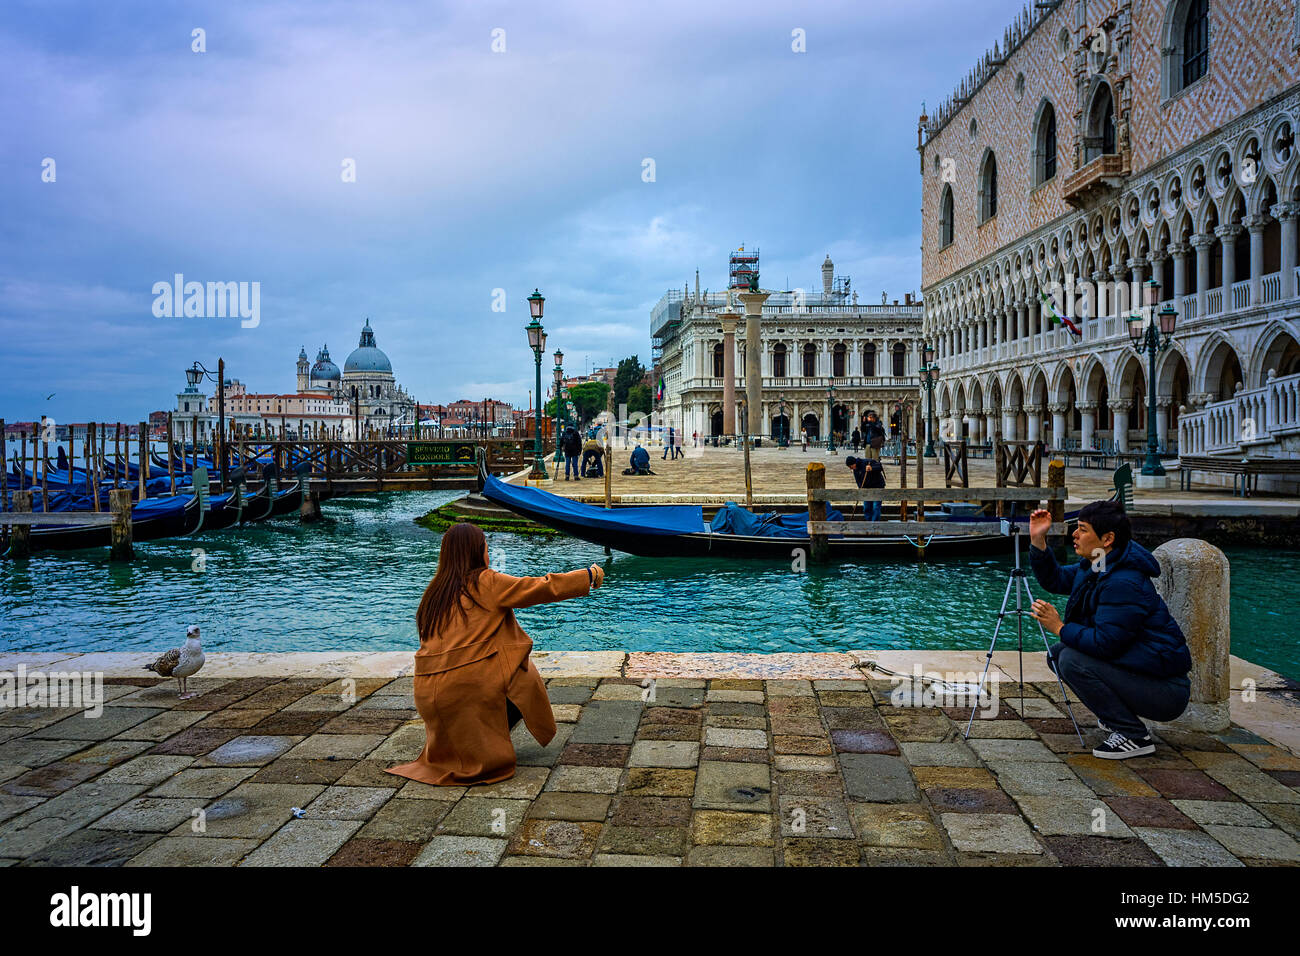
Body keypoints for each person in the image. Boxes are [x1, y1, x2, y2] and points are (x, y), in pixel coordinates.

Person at [386, 522, 605, 786]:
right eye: (486, 548)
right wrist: (588, 575)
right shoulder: (485, 581)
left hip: (427, 695)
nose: (488, 554)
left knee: (490, 669)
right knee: (522, 675)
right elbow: (539, 587)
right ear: (477, 552)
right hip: (465, 692)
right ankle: (488, 742)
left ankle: (474, 742)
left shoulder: (434, 593)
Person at [1027, 501, 1191, 760]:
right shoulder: (1101, 564)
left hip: (1165, 691)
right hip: (1141, 675)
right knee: (1058, 654)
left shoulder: (1123, 582)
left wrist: (1059, 627)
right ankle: (1115, 717)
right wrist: (1038, 541)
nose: (1074, 535)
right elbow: (1056, 579)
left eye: (1082, 529)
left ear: (1107, 538)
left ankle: (1133, 735)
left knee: (1070, 660)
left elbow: (1105, 644)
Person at [845, 455, 884, 521]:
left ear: (854, 463)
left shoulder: (867, 462)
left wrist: (872, 468)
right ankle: (868, 522)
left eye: (850, 466)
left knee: (876, 507)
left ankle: (875, 524)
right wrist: (861, 489)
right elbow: (858, 481)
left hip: (878, 486)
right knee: (867, 508)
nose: (850, 468)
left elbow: (880, 467)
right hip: (866, 489)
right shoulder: (855, 470)